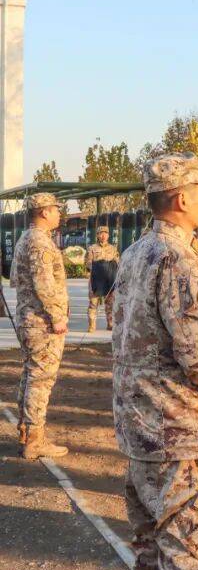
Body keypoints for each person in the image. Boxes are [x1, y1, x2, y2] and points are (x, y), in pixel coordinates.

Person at [111, 152, 198, 570]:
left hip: (140, 428)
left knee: (149, 555)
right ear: (182, 199)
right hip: (179, 434)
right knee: (190, 565)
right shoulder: (177, 260)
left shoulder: (134, 253)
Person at [11, 192, 69, 459]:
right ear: (45, 212)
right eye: (56, 209)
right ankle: (35, 440)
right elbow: (44, 284)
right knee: (40, 379)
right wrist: (57, 317)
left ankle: (26, 431)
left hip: (29, 319)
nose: (59, 213)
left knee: (31, 374)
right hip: (41, 322)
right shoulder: (40, 242)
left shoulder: (27, 238)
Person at [86, 226, 120, 332]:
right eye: (101, 233)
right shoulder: (92, 248)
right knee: (93, 303)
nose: (103, 235)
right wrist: (100, 267)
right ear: (97, 235)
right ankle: (92, 326)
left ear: (108, 235)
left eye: (105, 233)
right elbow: (88, 263)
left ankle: (110, 324)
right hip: (96, 280)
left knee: (110, 303)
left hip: (109, 280)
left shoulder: (113, 249)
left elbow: (118, 263)